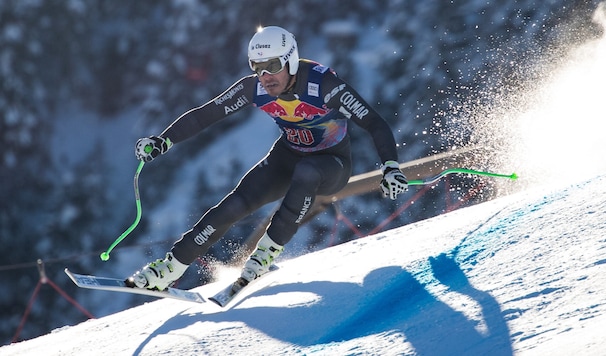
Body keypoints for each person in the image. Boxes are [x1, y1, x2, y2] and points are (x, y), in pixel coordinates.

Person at [127, 26, 408, 292]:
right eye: (257, 68)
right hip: (287, 157)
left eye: (273, 66)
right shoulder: (255, 88)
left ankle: (264, 254)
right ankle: (171, 268)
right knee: (234, 204)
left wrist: (391, 166)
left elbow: (373, 121)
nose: (265, 76)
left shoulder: (324, 85)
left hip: (330, 164)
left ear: (291, 62)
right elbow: (206, 114)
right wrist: (163, 141)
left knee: (308, 171)